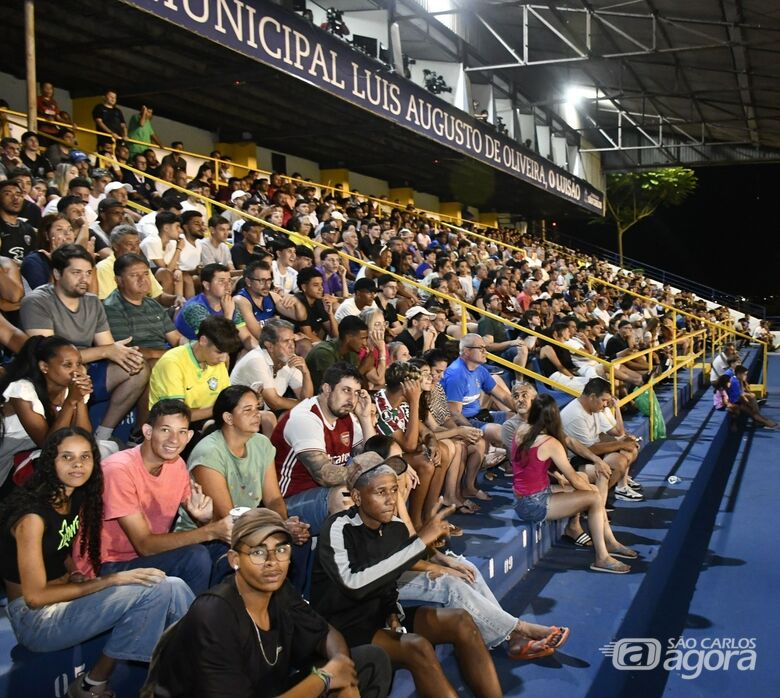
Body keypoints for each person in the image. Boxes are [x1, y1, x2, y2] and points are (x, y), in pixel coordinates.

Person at [0, 427, 193, 698]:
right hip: (35, 620)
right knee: (155, 589)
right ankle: (98, 683)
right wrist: (109, 580)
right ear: (50, 461)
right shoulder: (32, 518)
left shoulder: (72, 496)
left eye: (85, 457)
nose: (77, 464)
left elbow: (59, 548)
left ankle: (195, 662)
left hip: (64, 599)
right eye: (67, 457)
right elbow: (34, 597)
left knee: (170, 584)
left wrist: (74, 570)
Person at [142, 508, 392, 698]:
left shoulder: (280, 590)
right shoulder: (214, 613)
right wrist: (326, 678)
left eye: (281, 550)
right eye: (258, 552)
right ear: (234, 560)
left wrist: (342, 669)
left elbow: (326, 633)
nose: (273, 561)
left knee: (369, 660)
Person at [311, 453, 504, 698]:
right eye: (381, 492)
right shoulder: (338, 527)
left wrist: (392, 611)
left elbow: (389, 582)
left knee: (461, 621)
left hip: (377, 617)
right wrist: (421, 541)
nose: (391, 499)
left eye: (394, 490)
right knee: (417, 647)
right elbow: (354, 584)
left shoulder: (396, 527)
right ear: (358, 497)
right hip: (342, 628)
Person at [366, 435, 569, 660]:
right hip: (383, 584)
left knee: (465, 566)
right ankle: (520, 629)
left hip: (402, 567)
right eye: (395, 462)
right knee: (453, 583)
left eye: (401, 460)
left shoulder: (396, 490)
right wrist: (443, 570)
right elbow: (393, 560)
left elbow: (411, 541)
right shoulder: (371, 501)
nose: (402, 467)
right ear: (376, 466)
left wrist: (445, 560)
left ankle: (510, 637)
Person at [73, 400, 233, 595]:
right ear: (148, 432)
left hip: (149, 556)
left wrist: (204, 519)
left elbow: (203, 521)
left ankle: (214, 610)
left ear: (190, 436)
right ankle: (191, 622)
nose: (174, 439)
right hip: (110, 565)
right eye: (165, 430)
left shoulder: (176, 465)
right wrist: (210, 531)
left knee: (225, 551)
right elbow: (145, 546)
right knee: (195, 557)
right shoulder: (118, 470)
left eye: (182, 432)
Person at [20, 244, 148, 443]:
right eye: (76, 272)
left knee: (136, 367)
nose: (84, 279)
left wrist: (119, 352)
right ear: (57, 273)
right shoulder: (36, 301)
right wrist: (106, 351)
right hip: (52, 375)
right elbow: (46, 354)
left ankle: (103, 434)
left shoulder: (92, 301)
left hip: (87, 368)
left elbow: (107, 346)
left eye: (88, 273)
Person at [512, 395, 638, 574]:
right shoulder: (550, 443)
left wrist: (557, 476)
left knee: (584, 479)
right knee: (593, 497)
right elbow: (574, 480)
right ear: (554, 416)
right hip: (533, 504)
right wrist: (595, 495)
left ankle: (606, 540)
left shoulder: (522, 430)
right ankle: (602, 556)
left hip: (522, 499)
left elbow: (525, 465)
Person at [271, 363, 375, 536]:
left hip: (325, 492)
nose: (352, 399)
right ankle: (344, 559)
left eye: (356, 392)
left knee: (389, 480)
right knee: (345, 496)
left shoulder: (345, 414)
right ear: (327, 389)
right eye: (346, 390)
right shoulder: (305, 417)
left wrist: (364, 419)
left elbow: (372, 452)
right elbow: (324, 475)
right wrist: (369, 473)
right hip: (291, 500)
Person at [560, 378, 643, 501]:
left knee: (630, 448)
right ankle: (595, 502)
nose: (605, 404)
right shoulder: (576, 415)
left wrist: (623, 441)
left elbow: (602, 435)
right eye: (603, 400)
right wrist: (620, 444)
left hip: (589, 452)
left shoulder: (594, 408)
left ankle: (617, 488)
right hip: (574, 460)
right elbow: (589, 449)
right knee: (619, 461)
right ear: (593, 397)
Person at [149, 316, 241, 426]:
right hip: (175, 426)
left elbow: (225, 398)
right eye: (219, 352)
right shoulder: (172, 363)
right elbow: (176, 415)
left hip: (209, 419)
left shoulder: (218, 361)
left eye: (227, 353)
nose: (224, 358)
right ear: (203, 341)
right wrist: (220, 409)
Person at [230, 318, 314, 413]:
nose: (292, 346)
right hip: (242, 414)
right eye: (286, 341)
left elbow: (306, 398)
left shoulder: (290, 358)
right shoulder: (256, 360)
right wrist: (303, 405)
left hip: (266, 413)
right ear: (270, 346)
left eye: (293, 340)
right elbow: (274, 403)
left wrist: (306, 373)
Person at [174, 262, 256, 350]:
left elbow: (246, 338)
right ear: (207, 285)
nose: (228, 285)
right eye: (221, 281)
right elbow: (215, 344)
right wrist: (228, 315)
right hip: (193, 355)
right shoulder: (195, 308)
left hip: (218, 355)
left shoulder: (229, 303)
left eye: (229, 281)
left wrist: (263, 355)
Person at [305, 316, 368, 392]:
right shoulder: (323, 353)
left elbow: (359, 387)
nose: (365, 343)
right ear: (348, 337)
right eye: (362, 338)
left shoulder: (352, 353)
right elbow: (335, 387)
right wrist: (363, 367)